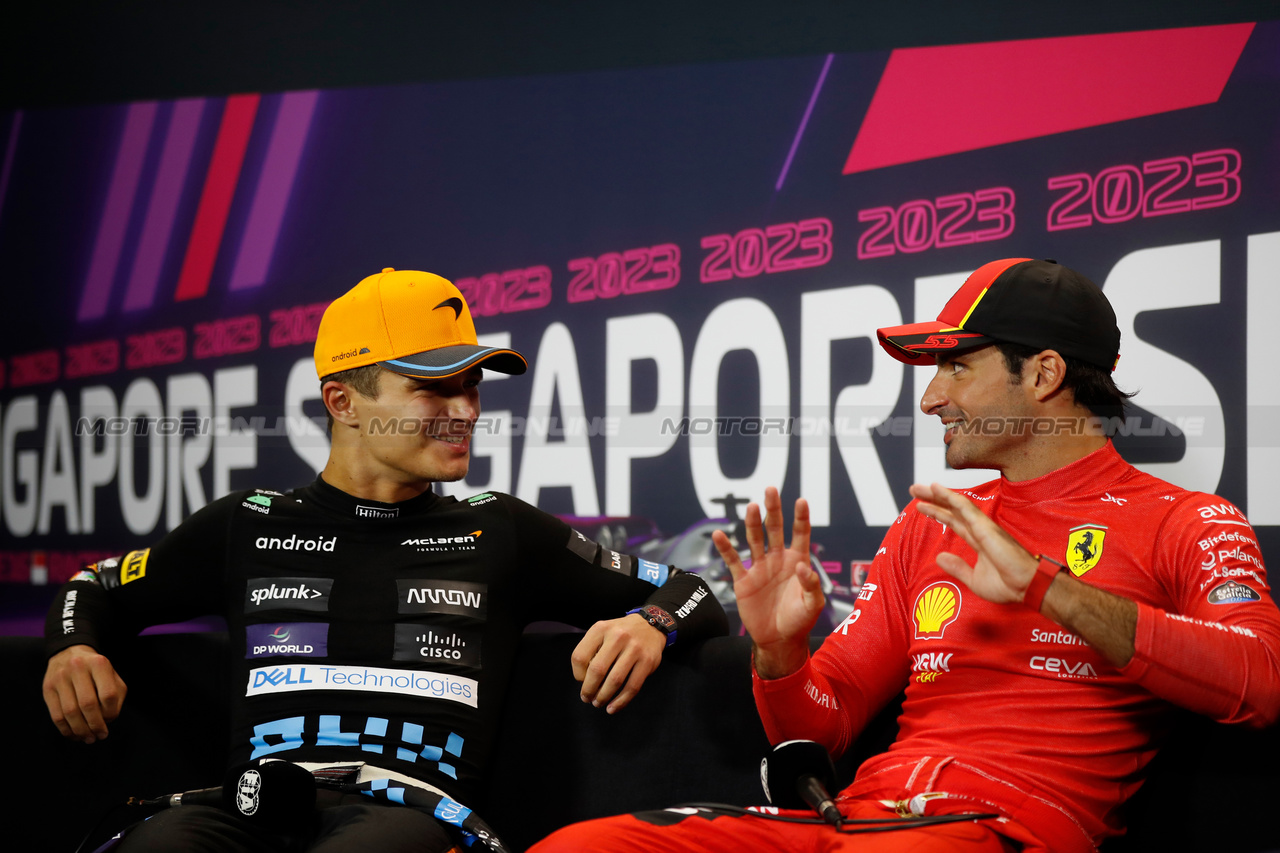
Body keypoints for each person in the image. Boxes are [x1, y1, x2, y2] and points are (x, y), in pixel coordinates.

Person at [531, 258, 1280, 852]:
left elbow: (1259, 682)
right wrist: (781, 651)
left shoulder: (1189, 520)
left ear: (1045, 374)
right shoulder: (933, 524)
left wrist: (1049, 589)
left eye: (957, 366)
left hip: (992, 833)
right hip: (857, 823)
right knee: (585, 844)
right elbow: (823, 726)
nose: (930, 399)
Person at [42, 268, 727, 852]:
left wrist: (650, 624)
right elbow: (94, 586)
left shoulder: (502, 529)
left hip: (411, 819)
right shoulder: (244, 524)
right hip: (250, 806)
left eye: (473, 385)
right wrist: (73, 647)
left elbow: (692, 589)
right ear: (343, 401)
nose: (467, 410)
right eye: (434, 388)